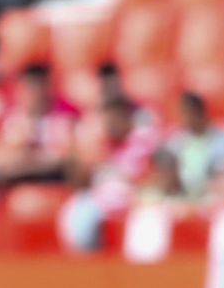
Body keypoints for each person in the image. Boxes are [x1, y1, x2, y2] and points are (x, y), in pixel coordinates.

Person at [60, 95, 161, 250]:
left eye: (116, 118)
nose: (112, 124)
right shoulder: (100, 145)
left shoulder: (143, 143)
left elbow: (146, 179)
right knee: (78, 207)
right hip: (100, 203)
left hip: (135, 200)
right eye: (108, 119)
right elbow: (81, 179)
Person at [0, 60, 76, 199]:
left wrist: (29, 159)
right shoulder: (8, 121)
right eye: (29, 87)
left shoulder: (65, 121)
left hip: (55, 188)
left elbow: (70, 161)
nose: (35, 94)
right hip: (12, 192)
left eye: (39, 86)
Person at [167, 90, 224, 200]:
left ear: (198, 113)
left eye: (186, 113)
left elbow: (223, 177)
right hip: (182, 195)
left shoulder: (222, 141)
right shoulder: (179, 140)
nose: (183, 119)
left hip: (210, 196)